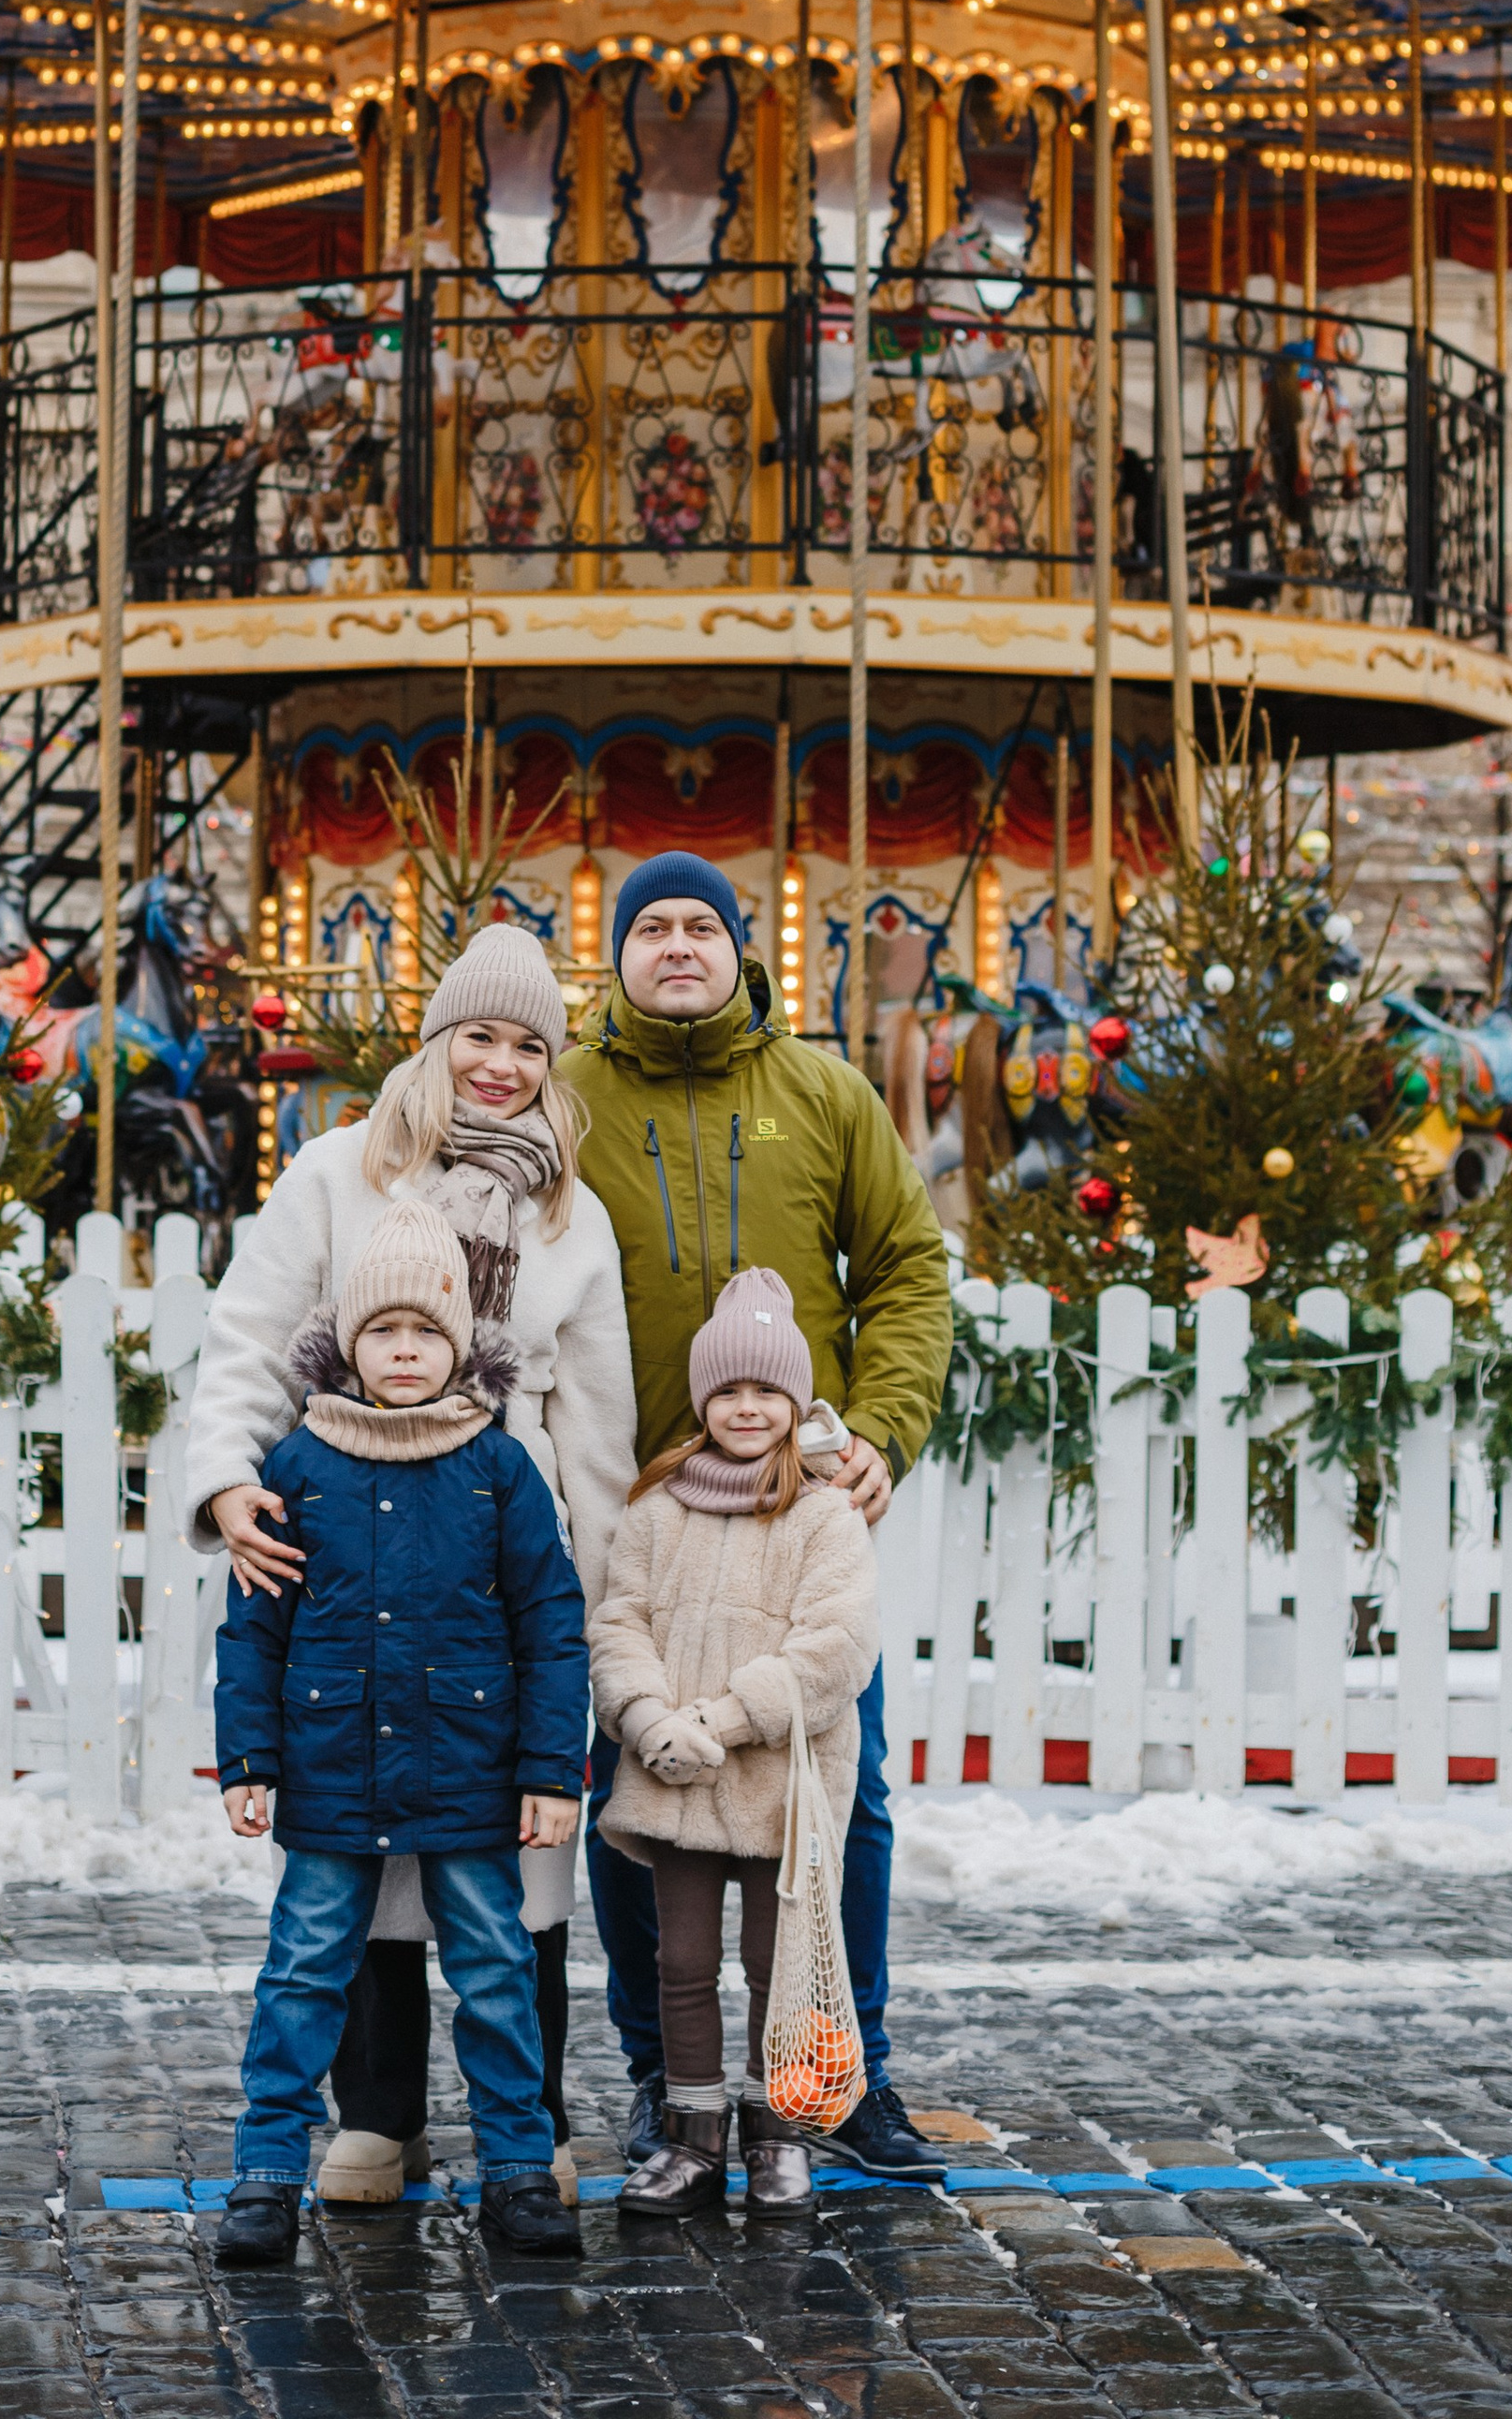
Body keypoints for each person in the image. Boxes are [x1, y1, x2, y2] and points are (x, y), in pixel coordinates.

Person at [186, 919, 636, 2203]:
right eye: (480, 1037)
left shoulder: (570, 1214)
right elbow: (251, 1340)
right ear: (438, 1042)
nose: (501, 1066)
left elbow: (597, 1428)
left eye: (528, 1047)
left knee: (517, 1867)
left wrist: (592, 1613)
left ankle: (524, 2119)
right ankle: (376, 2114)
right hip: (349, 1555)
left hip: (499, 1561)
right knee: (357, 1855)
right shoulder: (338, 1173)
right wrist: (227, 1479)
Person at [561, 849, 954, 2180]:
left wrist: (884, 1427)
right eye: (651, 927)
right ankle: (655, 2078)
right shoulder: (566, 1100)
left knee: (842, 1801)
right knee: (637, 1786)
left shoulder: (822, 1095)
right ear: (617, 954)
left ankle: (847, 2073)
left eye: (701, 926)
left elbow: (908, 1269)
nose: (678, 946)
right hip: (635, 1516)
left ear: (743, 947)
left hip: (795, 1520)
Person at [212, 1202, 588, 2264]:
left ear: (460, 1345)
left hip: (470, 1773)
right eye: (385, 1333)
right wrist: (248, 1758)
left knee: (498, 1971)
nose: (407, 1352)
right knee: (300, 1974)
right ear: (349, 1345)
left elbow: (549, 1625)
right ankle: (267, 2173)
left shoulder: (499, 1467)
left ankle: (517, 2167)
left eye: (427, 1333)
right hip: (333, 1771)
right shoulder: (296, 1467)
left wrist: (552, 1769)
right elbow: (255, 1628)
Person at [589, 1265, 879, 2213]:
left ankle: (775, 2135)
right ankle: (693, 2135)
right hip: (672, 1775)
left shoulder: (822, 1512)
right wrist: (648, 1719)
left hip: (775, 1787)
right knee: (677, 1963)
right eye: (727, 1390)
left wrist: (719, 1720)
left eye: (766, 1392)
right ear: (701, 1398)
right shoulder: (658, 1507)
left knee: (769, 1963)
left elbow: (834, 1650)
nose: (746, 1408)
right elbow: (618, 1622)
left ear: (794, 1403)